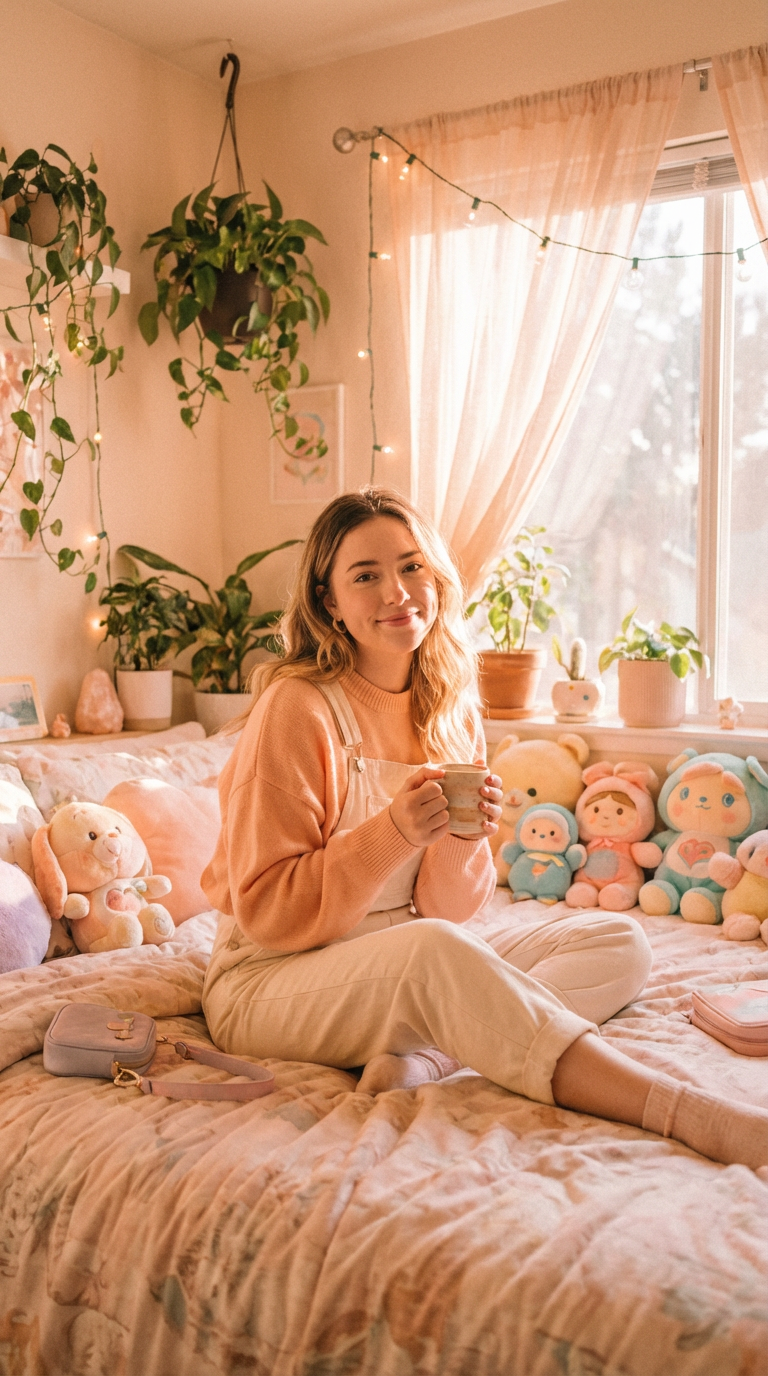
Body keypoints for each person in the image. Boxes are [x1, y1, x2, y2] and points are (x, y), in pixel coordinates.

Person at [202, 488, 768, 1171]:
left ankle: (433, 1056)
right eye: (366, 576)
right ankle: (688, 1112)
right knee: (433, 953)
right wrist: (394, 832)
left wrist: (462, 840)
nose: (397, 591)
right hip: (270, 976)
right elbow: (266, 911)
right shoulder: (298, 707)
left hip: (398, 953)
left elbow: (447, 909)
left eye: (412, 567)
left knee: (618, 939)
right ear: (330, 603)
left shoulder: (449, 707)